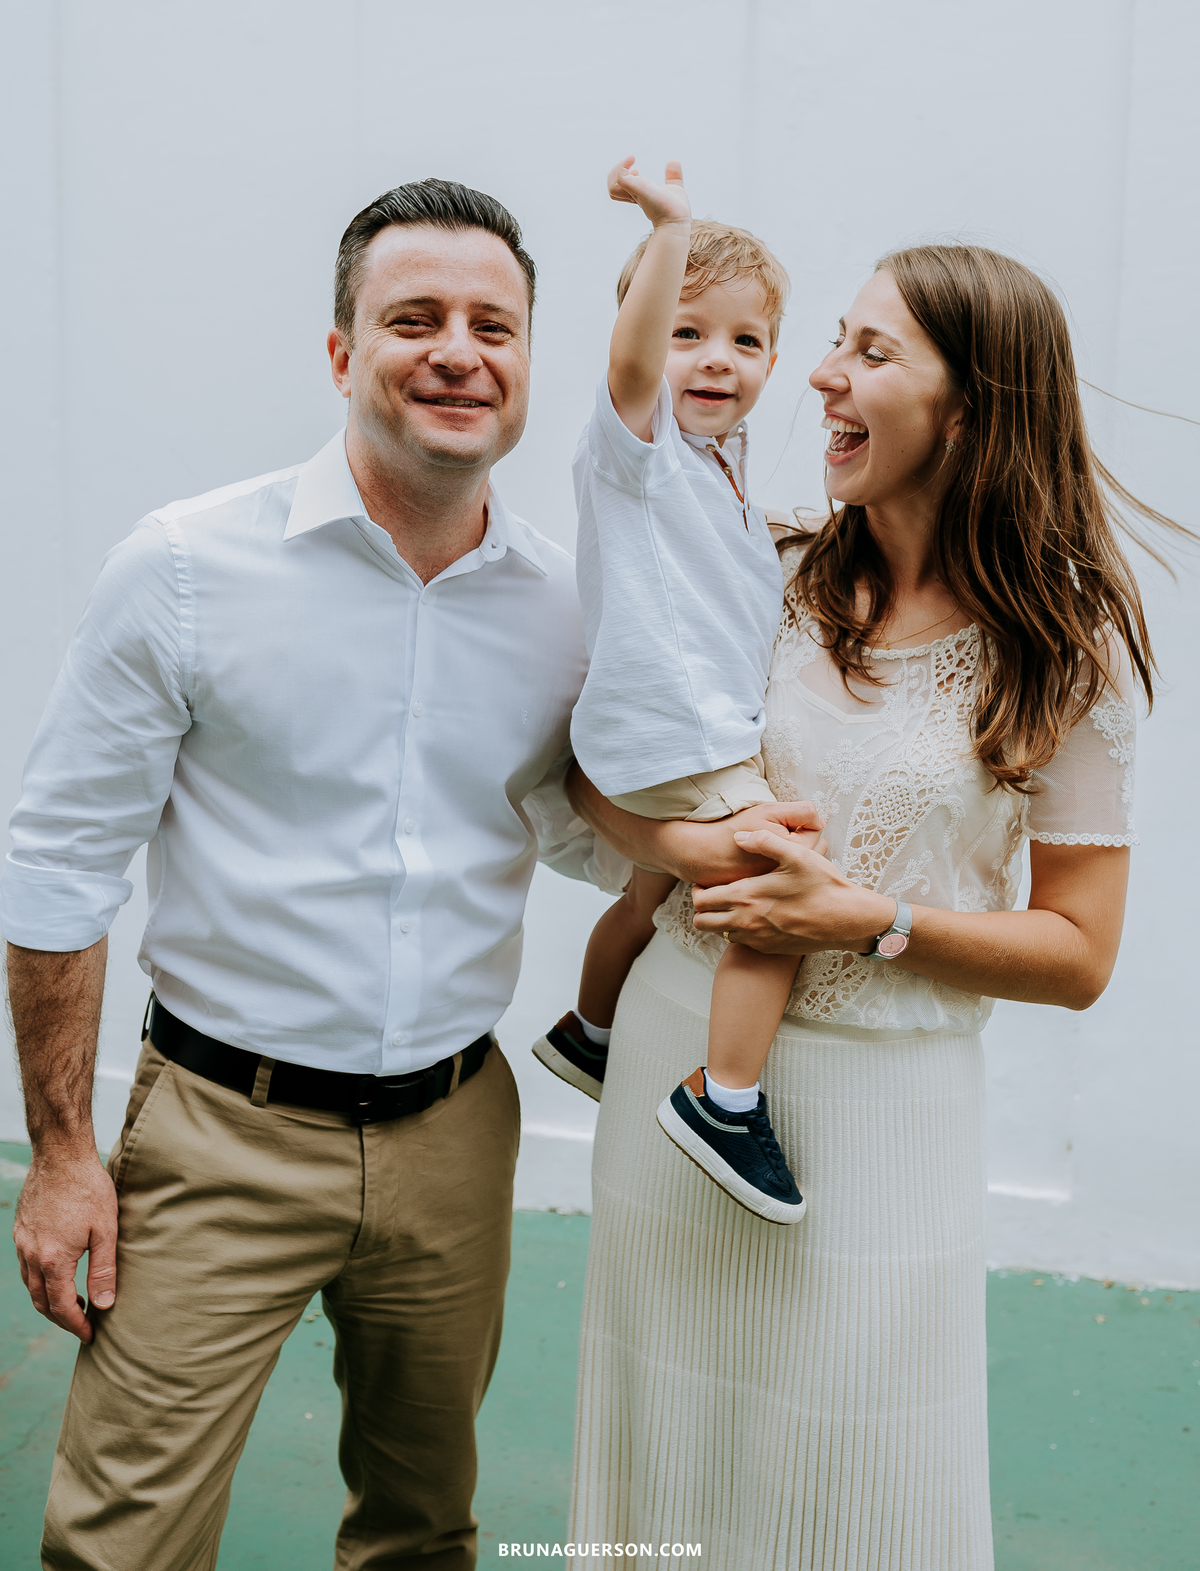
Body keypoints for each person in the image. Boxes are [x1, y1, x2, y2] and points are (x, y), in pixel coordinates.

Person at [1, 177, 644, 1571]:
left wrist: (743, 835)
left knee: (422, 1532)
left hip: (457, 1133)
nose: (459, 351)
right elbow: (59, 857)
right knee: (122, 1540)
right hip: (220, 1130)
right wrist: (60, 1150)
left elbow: (586, 830)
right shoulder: (182, 568)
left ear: (529, 363)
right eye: (414, 318)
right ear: (344, 353)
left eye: (496, 324)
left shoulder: (562, 609)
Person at [564, 244, 1172, 1569]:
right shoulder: (765, 566)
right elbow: (591, 770)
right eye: (835, 339)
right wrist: (694, 843)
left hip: (883, 1118)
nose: (823, 375)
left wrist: (868, 920)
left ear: (972, 410)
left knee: (861, 1487)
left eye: (873, 352)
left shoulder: (1066, 650)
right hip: (679, 1069)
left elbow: (1079, 953)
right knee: (666, 1461)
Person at [532, 157, 811, 1224]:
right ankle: (724, 1099)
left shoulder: (727, 470)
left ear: (775, 360)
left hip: (668, 737)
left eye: (745, 342)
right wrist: (671, 231)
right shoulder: (635, 451)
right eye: (689, 333)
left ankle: (588, 1029)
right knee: (778, 897)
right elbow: (637, 360)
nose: (716, 361)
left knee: (643, 900)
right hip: (676, 737)